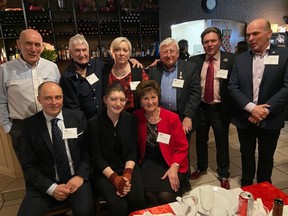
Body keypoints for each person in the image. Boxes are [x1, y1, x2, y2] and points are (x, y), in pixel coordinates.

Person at [18, 82, 95, 216]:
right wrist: (51, 188)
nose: (54, 102)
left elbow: (87, 151)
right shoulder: (29, 126)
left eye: (58, 97)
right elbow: (28, 165)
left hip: (75, 179)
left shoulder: (77, 117)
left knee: (85, 212)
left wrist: (81, 176)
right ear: (39, 99)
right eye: (48, 98)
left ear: (63, 98)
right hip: (45, 183)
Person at [228, 18, 288, 186]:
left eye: (255, 34)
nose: (251, 38)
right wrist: (252, 108)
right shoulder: (240, 59)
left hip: (271, 118)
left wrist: (264, 111)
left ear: (269, 33)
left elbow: (286, 87)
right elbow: (233, 86)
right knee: (246, 154)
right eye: (248, 35)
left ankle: (264, 186)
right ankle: (246, 185)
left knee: (266, 157)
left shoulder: (284, 56)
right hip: (245, 118)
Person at [0, 29, 60, 162]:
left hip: (49, 125)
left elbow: (59, 96)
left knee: (52, 165)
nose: (33, 49)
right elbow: (1, 101)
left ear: (42, 47)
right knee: (29, 169)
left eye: (37, 44)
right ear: (18, 44)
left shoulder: (52, 67)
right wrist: (8, 128)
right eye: (28, 44)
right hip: (21, 128)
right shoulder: (5, 70)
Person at [86, 83, 146, 215]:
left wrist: (127, 175)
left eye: (122, 100)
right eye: (113, 99)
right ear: (105, 100)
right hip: (104, 171)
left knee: (138, 202)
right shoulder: (93, 123)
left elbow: (132, 151)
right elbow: (97, 158)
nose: (118, 103)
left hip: (127, 166)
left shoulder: (131, 120)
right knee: (119, 207)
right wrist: (115, 179)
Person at [189, 27, 235, 189]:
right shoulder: (194, 61)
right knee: (200, 140)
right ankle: (201, 167)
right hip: (200, 108)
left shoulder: (231, 60)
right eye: (206, 42)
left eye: (213, 41)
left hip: (220, 108)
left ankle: (223, 173)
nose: (209, 44)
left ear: (220, 41)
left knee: (222, 141)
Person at [134, 80, 189, 207]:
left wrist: (174, 167)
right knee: (148, 194)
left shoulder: (172, 118)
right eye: (145, 98)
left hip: (170, 161)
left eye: (153, 97)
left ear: (158, 97)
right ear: (140, 101)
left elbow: (182, 147)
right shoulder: (136, 117)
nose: (150, 102)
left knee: (165, 195)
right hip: (147, 161)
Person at [148, 37, 201, 139]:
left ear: (177, 53)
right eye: (164, 52)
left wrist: (188, 117)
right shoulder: (154, 70)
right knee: (163, 146)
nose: (168, 55)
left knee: (181, 150)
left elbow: (196, 94)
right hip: (160, 117)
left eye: (172, 51)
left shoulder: (190, 68)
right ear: (160, 54)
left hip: (182, 117)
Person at [60, 34, 105, 120]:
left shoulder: (98, 65)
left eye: (84, 50)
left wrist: (130, 61)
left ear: (88, 51)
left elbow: (117, 67)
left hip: (104, 120)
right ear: (71, 53)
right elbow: (73, 108)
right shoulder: (67, 77)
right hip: (85, 123)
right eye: (77, 50)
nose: (82, 54)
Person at [102, 37, 149, 113]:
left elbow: (148, 92)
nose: (121, 53)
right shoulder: (105, 70)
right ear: (112, 52)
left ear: (129, 53)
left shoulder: (137, 70)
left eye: (125, 50)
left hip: (134, 115)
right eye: (117, 50)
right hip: (111, 116)